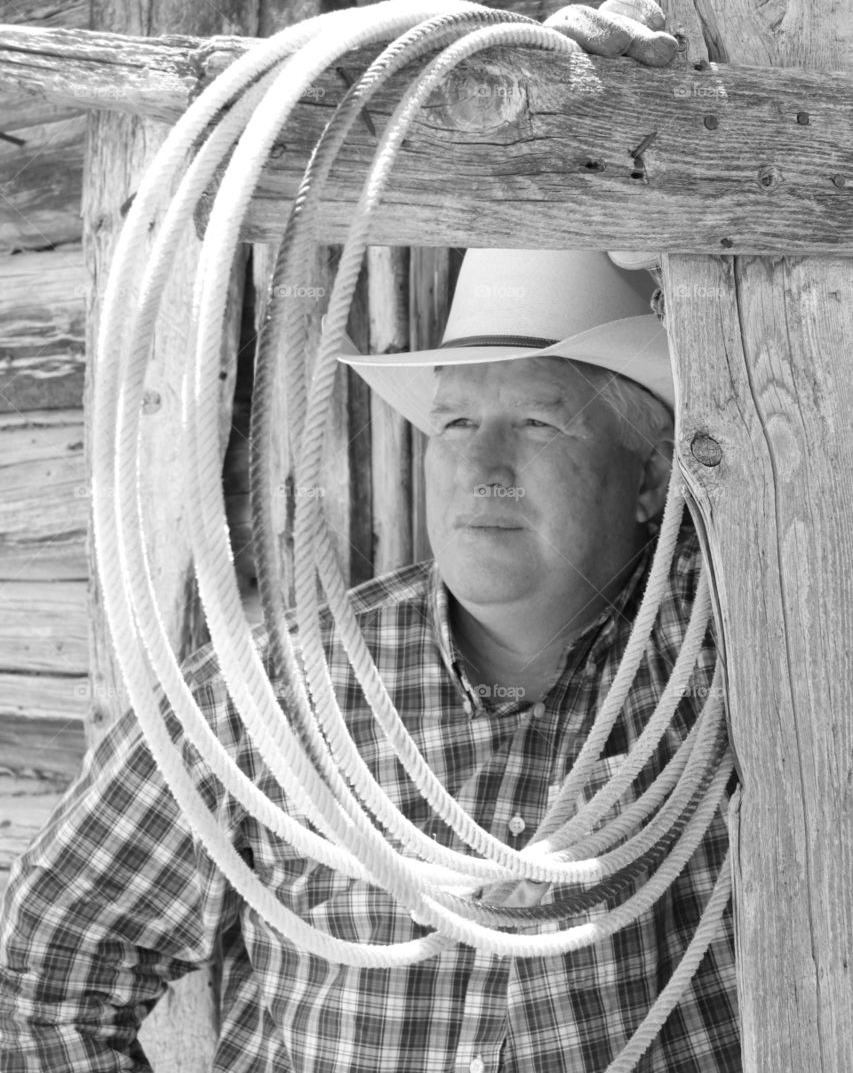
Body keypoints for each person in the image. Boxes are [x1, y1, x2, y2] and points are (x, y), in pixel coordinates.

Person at [0, 242, 739, 1072]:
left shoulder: (732, 666)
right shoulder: (281, 691)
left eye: (538, 421)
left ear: (649, 478)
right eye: (454, 422)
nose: (481, 467)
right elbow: (46, 967)